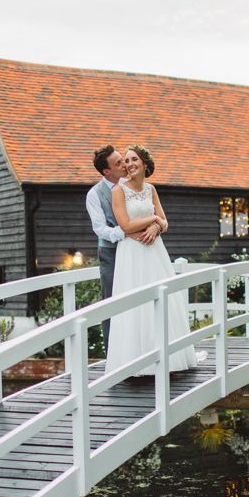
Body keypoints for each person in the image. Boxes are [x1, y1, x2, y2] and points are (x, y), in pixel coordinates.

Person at [105, 145, 203, 375]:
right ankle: (135, 361)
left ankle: (168, 356)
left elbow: (165, 221)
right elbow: (126, 225)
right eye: (126, 161)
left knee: (162, 299)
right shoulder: (118, 191)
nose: (129, 164)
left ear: (144, 163)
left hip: (154, 250)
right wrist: (153, 219)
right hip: (132, 252)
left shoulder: (151, 189)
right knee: (136, 302)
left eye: (133, 159)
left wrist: (157, 227)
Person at [86, 145, 160, 351]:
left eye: (124, 159)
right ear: (107, 172)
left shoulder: (135, 185)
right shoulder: (94, 195)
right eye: (119, 163)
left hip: (140, 250)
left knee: (143, 297)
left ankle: (145, 348)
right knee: (112, 301)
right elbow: (100, 229)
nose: (125, 165)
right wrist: (127, 233)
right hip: (111, 252)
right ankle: (115, 355)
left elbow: (151, 214)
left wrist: (154, 226)